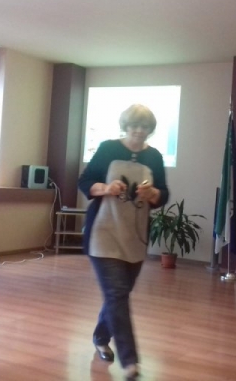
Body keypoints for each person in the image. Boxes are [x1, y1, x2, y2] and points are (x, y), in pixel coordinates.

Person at [78, 104, 169, 380]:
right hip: (103, 234)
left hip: (135, 236)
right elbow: (85, 181)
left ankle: (100, 337)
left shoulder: (154, 156)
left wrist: (152, 193)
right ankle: (130, 362)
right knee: (117, 293)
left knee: (118, 294)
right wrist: (106, 188)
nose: (139, 131)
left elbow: (163, 194)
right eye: (134, 125)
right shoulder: (108, 149)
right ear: (125, 125)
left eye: (145, 126)